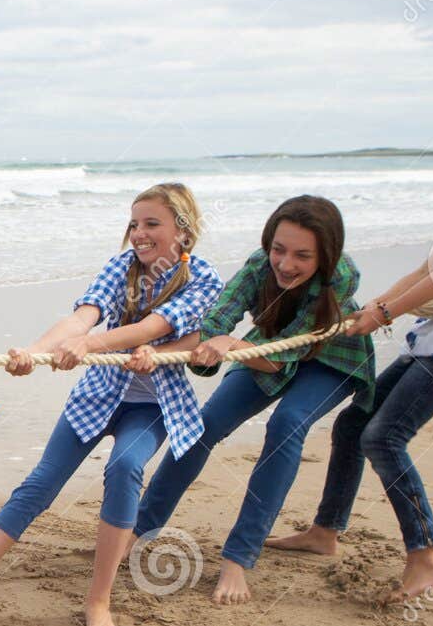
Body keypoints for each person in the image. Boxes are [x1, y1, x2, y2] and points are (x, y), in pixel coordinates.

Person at [0, 184, 223, 626]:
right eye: (134, 224)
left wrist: (95, 345)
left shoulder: (203, 277)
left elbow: (151, 328)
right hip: (99, 395)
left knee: (125, 468)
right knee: (39, 485)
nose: (139, 234)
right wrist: (35, 350)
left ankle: (98, 601)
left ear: (182, 230)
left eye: (152, 224)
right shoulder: (121, 267)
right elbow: (81, 318)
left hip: (154, 403)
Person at [269, 110, 433, 601]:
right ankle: (325, 532)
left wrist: (383, 314)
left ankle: (427, 557)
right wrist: (370, 309)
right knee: (354, 424)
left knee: (385, 437)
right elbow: (421, 274)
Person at [131, 196, 375, 604]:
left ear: (326, 255)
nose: (285, 264)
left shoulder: (342, 277)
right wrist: (207, 342)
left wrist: (231, 344)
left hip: (330, 356)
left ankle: (239, 557)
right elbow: (218, 317)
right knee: (204, 426)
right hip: (265, 348)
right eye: (278, 249)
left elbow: (285, 357)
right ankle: (138, 531)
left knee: (287, 424)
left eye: (302, 255)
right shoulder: (259, 264)